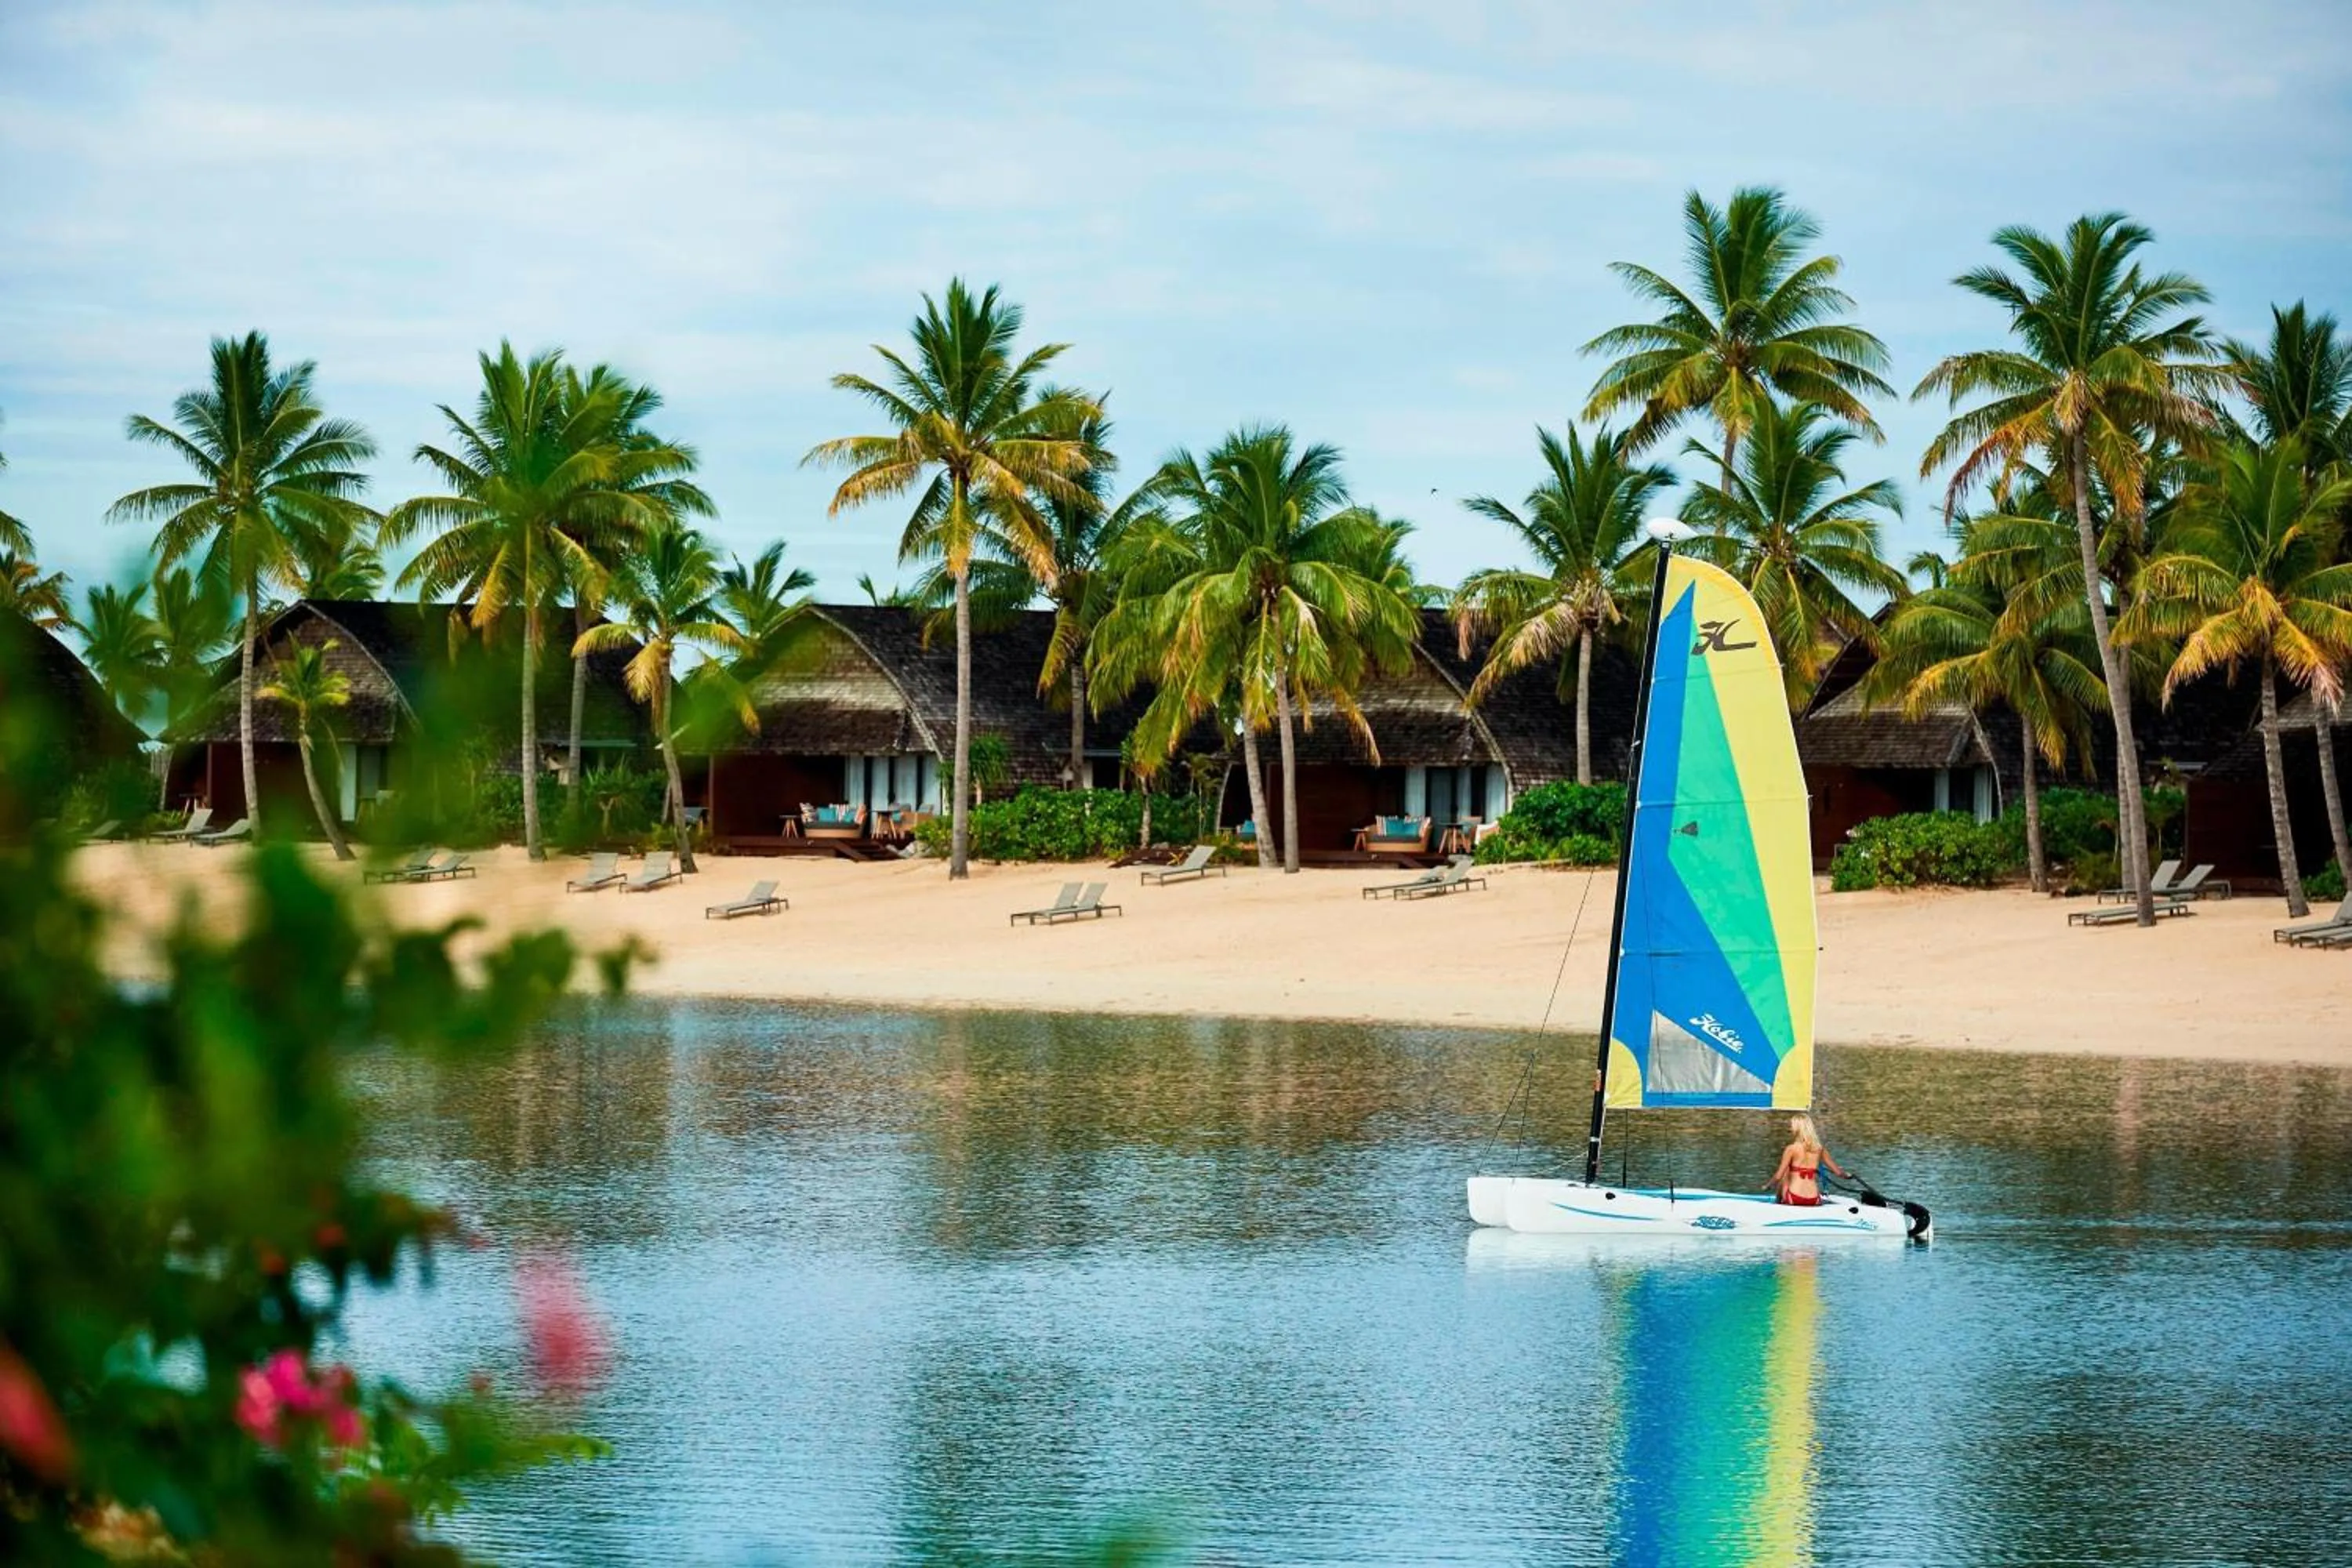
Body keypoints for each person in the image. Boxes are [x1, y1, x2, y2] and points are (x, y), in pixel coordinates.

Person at [1769, 1114, 1849, 1207]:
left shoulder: (1791, 1149)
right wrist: (1847, 1175)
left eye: (1792, 1126)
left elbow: (1778, 1176)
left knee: (1786, 1171)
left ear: (1798, 1128)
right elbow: (1838, 1173)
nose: (1791, 1129)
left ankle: (1777, 1204)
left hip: (1795, 1198)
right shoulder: (1820, 1149)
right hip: (1814, 1199)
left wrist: (1767, 1186)